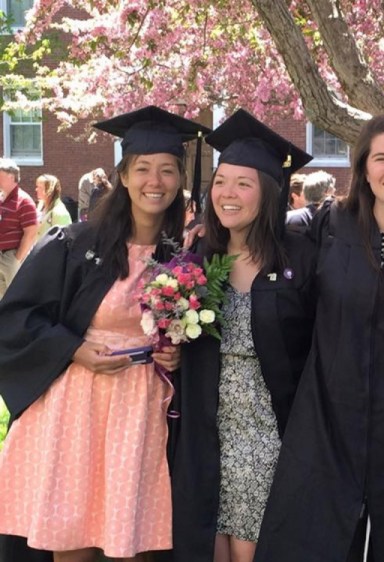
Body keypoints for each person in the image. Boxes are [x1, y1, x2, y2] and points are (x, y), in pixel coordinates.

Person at [0, 106, 209, 562]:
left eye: (168, 170)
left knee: (129, 544)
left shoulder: (184, 259)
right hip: (76, 407)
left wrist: (175, 353)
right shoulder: (74, 245)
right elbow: (15, 317)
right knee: (72, 540)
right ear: (124, 176)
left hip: (141, 410)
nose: (155, 181)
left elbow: (191, 332)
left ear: (179, 181)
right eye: (143, 169)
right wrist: (74, 350)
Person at [255, 114, 384, 562]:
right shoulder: (327, 226)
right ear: (362, 169)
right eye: (380, 158)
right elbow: (261, 240)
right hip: (328, 427)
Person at [168, 109, 316, 562]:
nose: (227, 194)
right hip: (205, 434)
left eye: (243, 183)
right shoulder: (196, 260)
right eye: (221, 181)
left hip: (268, 435)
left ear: (268, 192)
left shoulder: (301, 261)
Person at [0, 158, 38, 299]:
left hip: (11, 256)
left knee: (15, 299)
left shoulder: (24, 201)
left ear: (11, 176)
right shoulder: (2, 199)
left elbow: (31, 233)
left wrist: (16, 259)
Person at [34, 174, 72, 241]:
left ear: (49, 190)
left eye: (40, 187)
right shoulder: (41, 206)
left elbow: (63, 240)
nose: (36, 189)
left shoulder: (59, 212)